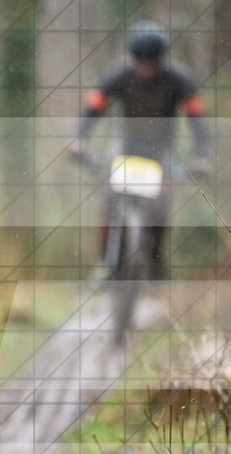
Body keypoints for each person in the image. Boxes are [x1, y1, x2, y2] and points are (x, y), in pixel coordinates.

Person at [70, 20, 210, 278]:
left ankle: (155, 256)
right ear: (133, 59)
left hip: (162, 149)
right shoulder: (119, 75)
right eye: (141, 63)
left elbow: (197, 119)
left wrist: (202, 156)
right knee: (109, 199)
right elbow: (93, 107)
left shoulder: (179, 79)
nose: (146, 69)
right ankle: (104, 261)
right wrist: (79, 139)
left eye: (152, 63)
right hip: (125, 146)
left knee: (163, 201)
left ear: (161, 60)